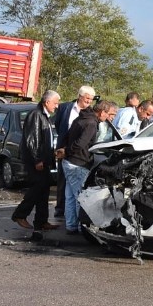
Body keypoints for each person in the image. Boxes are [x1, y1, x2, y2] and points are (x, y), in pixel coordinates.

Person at [11, 90, 62, 239]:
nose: (57, 106)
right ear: (47, 102)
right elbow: (31, 140)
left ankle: (41, 221)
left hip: (44, 160)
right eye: (55, 103)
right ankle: (20, 214)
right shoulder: (36, 115)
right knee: (37, 188)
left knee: (44, 191)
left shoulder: (44, 115)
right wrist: (37, 160)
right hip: (36, 161)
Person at [61, 100, 117, 234]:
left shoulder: (82, 118)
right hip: (78, 163)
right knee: (81, 197)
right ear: (102, 112)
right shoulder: (91, 123)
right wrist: (67, 151)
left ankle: (71, 226)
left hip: (69, 162)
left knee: (70, 196)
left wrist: (64, 151)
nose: (110, 118)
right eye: (110, 114)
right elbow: (81, 144)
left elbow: (67, 136)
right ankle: (83, 228)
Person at [53, 85, 96, 217]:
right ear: (80, 96)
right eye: (87, 98)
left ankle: (71, 220)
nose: (89, 101)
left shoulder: (89, 115)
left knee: (71, 191)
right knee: (63, 182)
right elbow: (58, 124)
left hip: (77, 154)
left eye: (91, 99)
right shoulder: (65, 108)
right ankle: (60, 209)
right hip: (65, 151)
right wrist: (63, 147)